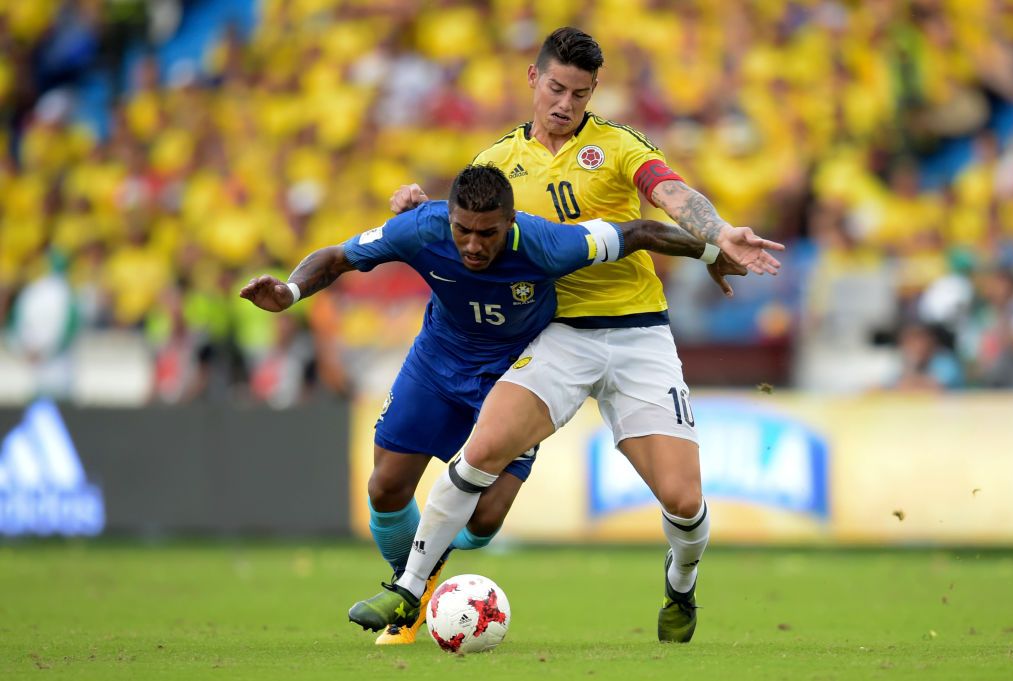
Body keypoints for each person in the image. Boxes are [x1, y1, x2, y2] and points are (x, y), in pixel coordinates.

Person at [353, 27, 785, 644]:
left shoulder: (617, 145)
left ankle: (681, 585)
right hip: (558, 335)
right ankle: (408, 589)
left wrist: (716, 235)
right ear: (534, 78)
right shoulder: (495, 162)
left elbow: (669, 193)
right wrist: (418, 207)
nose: (565, 104)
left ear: (594, 91)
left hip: (639, 334)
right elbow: (461, 221)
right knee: (478, 453)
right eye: (556, 88)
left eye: (580, 94)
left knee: (684, 502)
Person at [241, 164, 769, 639]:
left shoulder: (546, 244)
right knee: (385, 486)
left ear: (510, 223)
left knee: (484, 522)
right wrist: (290, 292)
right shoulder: (422, 227)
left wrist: (714, 251)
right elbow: (338, 256)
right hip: (438, 362)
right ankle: (410, 588)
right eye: (462, 230)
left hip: (513, 365)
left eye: (487, 233)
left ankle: (421, 581)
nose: (473, 246)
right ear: (448, 218)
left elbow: (641, 232)